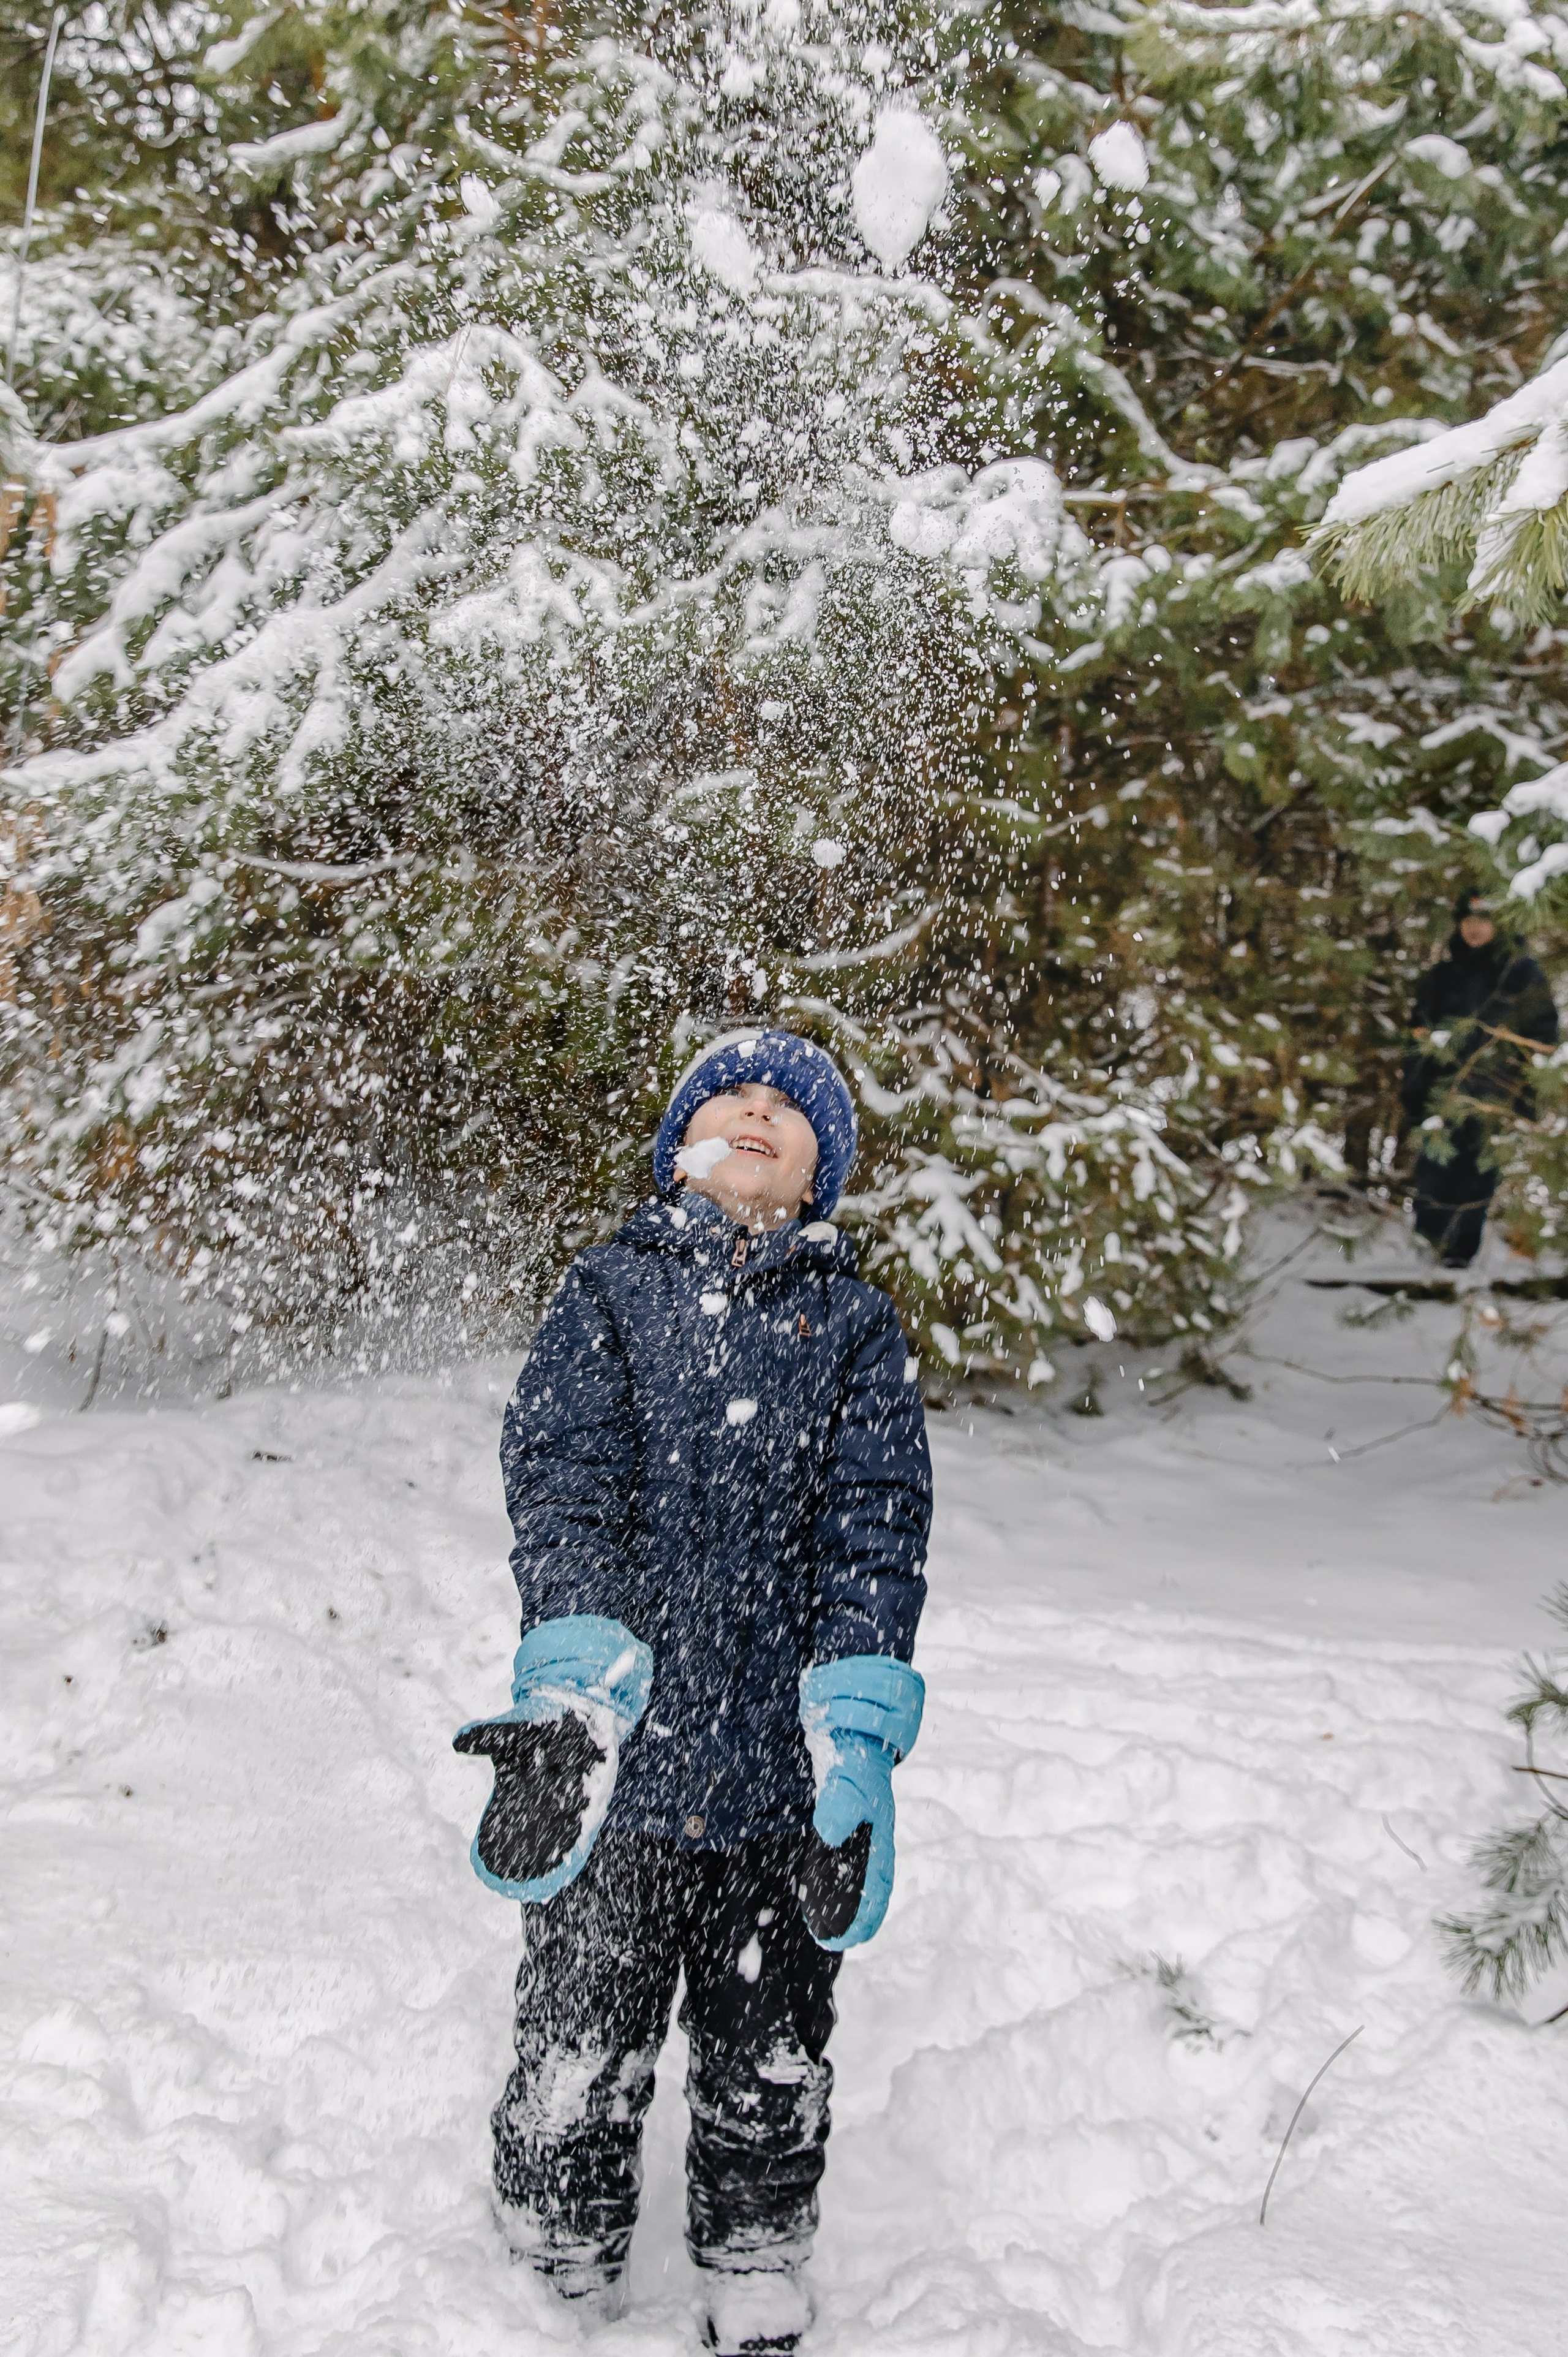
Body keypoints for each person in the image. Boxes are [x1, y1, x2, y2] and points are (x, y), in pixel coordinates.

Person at [454, 1027, 932, 2356]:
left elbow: (875, 1525)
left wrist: (853, 1724)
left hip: (782, 1783)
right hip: (620, 1771)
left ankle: (757, 2253)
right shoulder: (608, 1289)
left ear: (817, 1172)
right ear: (677, 1147)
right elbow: (559, 1471)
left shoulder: (852, 1325)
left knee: (770, 2046)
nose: (755, 1110)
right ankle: (554, 2248)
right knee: (578, 2034)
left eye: (790, 1108)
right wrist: (575, 1665)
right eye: (730, 1093)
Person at [1401, 889, 1559, 1268]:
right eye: (1467, 921)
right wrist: (1414, 1087)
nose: (1474, 929)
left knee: (1477, 1174)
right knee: (1434, 1170)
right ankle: (1429, 1246)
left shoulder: (1522, 974)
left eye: (1483, 921)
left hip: (1497, 1095)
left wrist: (1528, 1095)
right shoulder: (1443, 976)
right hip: (1443, 1094)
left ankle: (1459, 1254)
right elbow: (1419, 1037)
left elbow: (1543, 1035)